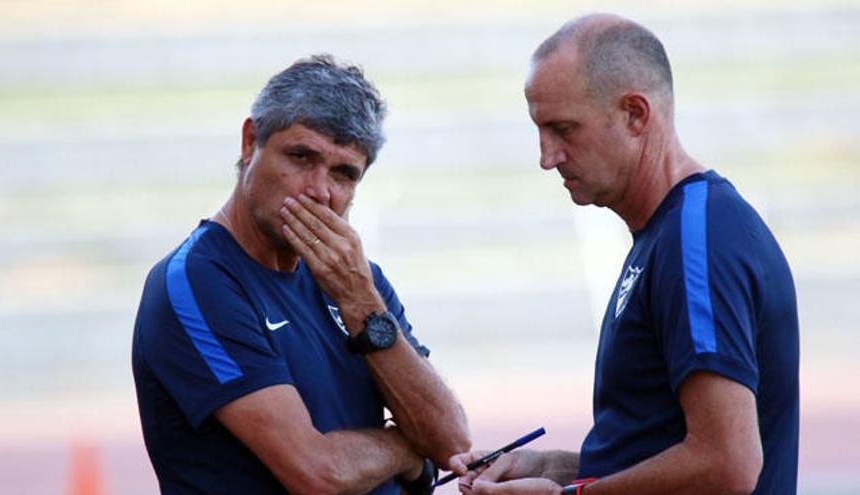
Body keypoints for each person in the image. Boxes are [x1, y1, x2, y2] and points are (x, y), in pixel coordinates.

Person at [448, 13, 799, 495]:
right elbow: (658, 451)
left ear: (636, 114)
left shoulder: (695, 240)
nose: (546, 157)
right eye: (540, 130)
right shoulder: (673, 232)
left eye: (563, 129)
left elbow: (727, 464)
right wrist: (551, 468)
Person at [132, 54, 470, 495]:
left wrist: (362, 304)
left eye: (344, 174)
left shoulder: (357, 281)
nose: (318, 191)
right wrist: (407, 448)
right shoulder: (197, 281)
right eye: (300, 156)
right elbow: (317, 474)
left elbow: (451, 442)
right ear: (250, 141)